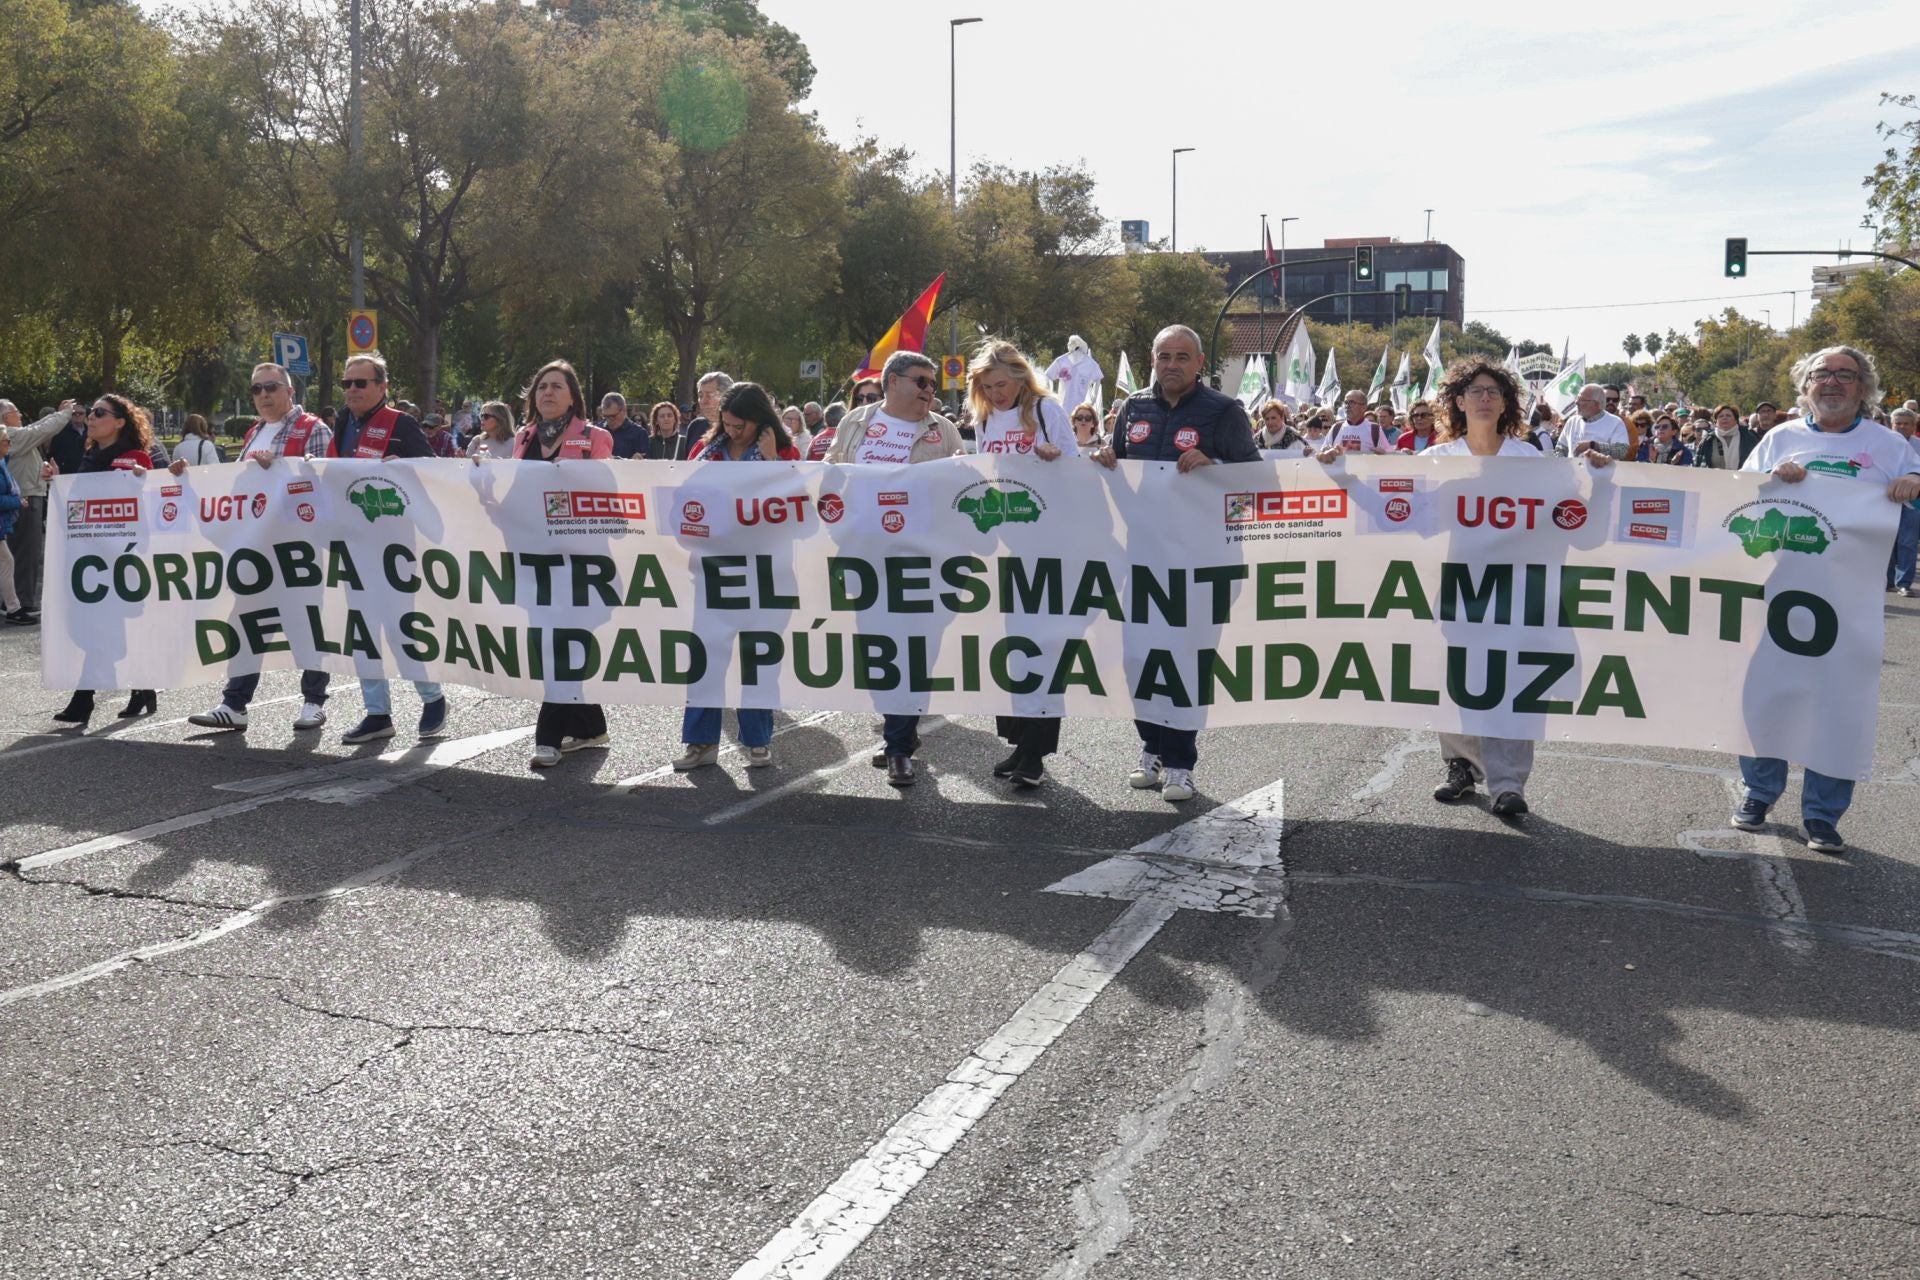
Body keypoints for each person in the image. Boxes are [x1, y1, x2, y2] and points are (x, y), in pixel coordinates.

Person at [1732, 345, 1920, 854]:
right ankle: (1757, 794)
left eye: (1845, 374)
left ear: (1863, 388)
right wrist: (1771, 478)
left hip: (1847, 605)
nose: (1832, 382)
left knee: (1839, 702)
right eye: (1822, 374)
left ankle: (1823, 815)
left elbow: (1919, 484)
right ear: (1806, 385)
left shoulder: (1889, 445)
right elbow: (1736, 493)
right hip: (1776, 594)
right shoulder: (1778, 438)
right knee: (1765, 691)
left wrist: (1914, 481)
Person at [1425, 359, 1613, 817]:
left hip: (1518, 594)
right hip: (1460, 591)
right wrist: (1340, 477)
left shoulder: (1531, 461)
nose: (1485, 398)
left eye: (1494, 391)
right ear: (1458, 401)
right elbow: (1394, 518)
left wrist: (1601, 483)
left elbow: (1578, 529)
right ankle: (1462, 766)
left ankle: (1509, 783)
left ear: (1507, 402)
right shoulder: (1435, 461)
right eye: (1475, 390)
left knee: (1514, 683)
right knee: (1462, 681)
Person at [1094, 324, 1258, 804]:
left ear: (1199, 363)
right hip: (1141, 560)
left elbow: (1260, 484)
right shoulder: (1133, 409)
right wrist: (1104, 457)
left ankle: (1181, 763)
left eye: (1182, 357)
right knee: (1138, 659)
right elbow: (1118, 470)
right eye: (1164, 355)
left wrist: (1216, 468)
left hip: (1202, 564)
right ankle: (1151, 748)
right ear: (1153, 359)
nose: (1171, 364)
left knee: (1186, 663)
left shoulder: (1225, 412)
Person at [825, 352, 964, 786]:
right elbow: (829, 473)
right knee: (879, 651)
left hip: (924, 559)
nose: (929, 391)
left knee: (917, 651)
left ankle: (899, 744)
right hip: (866, 555)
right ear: (892, 382)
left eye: (933, 384)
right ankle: (898, 728)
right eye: (921, 381)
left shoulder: (943, 431)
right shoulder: (855, 422)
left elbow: (963, 487)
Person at [186, 363, 336, 732]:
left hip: (299, 547)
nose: (264, 395)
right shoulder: (254, 432)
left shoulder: (313, 429)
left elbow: (325, 480)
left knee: (305, 624)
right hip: (256, 547)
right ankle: (234, 705)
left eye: (271, 387)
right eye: (256, 389)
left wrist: (282, 468)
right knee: (247, 624)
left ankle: (313, 702)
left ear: (290, 392)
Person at [966, 341, 1079, 786]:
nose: (996, 394)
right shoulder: (984, 418)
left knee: (1044, 646)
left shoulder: (1046, 410)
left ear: (1020, 378)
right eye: (987, 386)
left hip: (1050, 542)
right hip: (1008, 542)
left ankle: (1035, 751)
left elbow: (1078, 468)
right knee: (1011, 647)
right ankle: (1018, 741)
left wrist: (1054, 460)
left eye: (1002, 384)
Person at [674, 382, 800, 772]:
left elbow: (799, 502)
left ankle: (758, 742)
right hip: (713, 572)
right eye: (725, 424)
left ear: (761, 422)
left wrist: (770, 459)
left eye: (739, 425)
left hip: (767, 573)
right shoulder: (705, 451)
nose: (731, 432)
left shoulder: (786, 452)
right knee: (705, 658)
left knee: (757, 658)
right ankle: (700, 742)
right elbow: (682, 494)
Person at [329, 353, 448, 746]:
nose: (352, 390)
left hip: (395, 543)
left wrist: (406, 466)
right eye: (347, 383)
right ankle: (377, 713)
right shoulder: (343, 422)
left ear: (382, 387)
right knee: (363, 631)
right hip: (354, 539)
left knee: (400, 628)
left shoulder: (402, 424)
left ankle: (432, 697)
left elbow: (433, 472)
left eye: (360, 383)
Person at [505, 360, 615, 768]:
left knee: (563, 645)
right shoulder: (524, 437)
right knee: (549, 644)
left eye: (556, 386)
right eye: (541, 387)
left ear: (573, 396)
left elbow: (603, 493)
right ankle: (589, 727)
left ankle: (547, 738)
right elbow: (513, 492)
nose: (547, 393)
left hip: (582, 563)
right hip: (536, 562)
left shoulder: (595, 436)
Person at [49, 394, 158, 724]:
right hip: (89, 555)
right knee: (96, 626)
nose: (90, 418)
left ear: (120, 421)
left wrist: (143, 479)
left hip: (121, 557)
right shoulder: (91, 455)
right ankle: (143, 685)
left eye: (99, 413)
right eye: (89, 413)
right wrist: (55, 482)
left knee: (103, 626)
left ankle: (84, 700)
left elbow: (146, 498)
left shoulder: (134, 457)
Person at [2, 398, 74, 618]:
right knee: (25, 553)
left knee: (15, 555)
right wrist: (64, 414)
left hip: (26, 496)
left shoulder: (14, 436)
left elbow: (35, 429)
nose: (21, 415)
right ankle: (20, 602)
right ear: (5, 418)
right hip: (23, 499)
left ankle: (13, 600)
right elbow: (39, 431)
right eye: (17, 412)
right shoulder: (12, 436)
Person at [1888, 405, 1920, 597]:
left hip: (1913, 502)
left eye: (1906, 424)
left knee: (1907, 542)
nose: (1901, 427)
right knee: (1885, 540)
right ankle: (1887, 581)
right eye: (1897, 423)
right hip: (1885, 499)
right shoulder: (1881, 443)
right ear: (1890, 424)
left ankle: (1904, 584)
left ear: (1913, 425)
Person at [1556, 383, 1631, 460]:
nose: (1576, 402)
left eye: (1581, 400)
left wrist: (1593, 445)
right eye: (1577, 398)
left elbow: (1622, 450)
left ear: (1596, 404)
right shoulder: (1572, 421)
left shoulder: (1615, 423)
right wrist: (1562, 464)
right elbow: (1560, 448)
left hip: (1601, 471)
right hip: (1574, 471)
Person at [1320, 389, 1393, 459]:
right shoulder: (1336, 427)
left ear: (1364, 407)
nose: (1347, 406)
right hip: (1341, 472)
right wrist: (1328, 452)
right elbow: (1322, 452)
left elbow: (1390, 454)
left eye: (1352, 402)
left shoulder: (1375, 429)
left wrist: (1383, 454)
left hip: (1366, 471)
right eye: (1346, 402)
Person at [1044, 335, 1104, 416]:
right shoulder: (1062, 361)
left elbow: (1098, 378)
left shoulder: (1090, 364)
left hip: (1081, 409)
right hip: (1063, 407)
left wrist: (1093, 399)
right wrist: (1050, 395)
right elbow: (1048, 375)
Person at [0, 431, 25, 624]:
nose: (9, 443)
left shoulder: (2, 462)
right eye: (6, 440)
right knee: (7, 562)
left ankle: (12, 607)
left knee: (6, 562)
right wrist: (17, 501)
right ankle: (13, 608)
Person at [1694, 403, 1758, 470]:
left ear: (1736, 420)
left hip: (1744, 479)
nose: (1724, 418)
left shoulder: (1749, 437)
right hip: (1714, 479)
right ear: (1715, 421)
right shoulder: (1707, 440)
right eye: (1721, 416)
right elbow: (1700, 465)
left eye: (1728, 415)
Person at [600, 392, 647, 459]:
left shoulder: (639, 433)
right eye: (605, 416)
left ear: (624, 410)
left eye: (613, 416)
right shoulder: (598, 431)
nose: (608, 420)